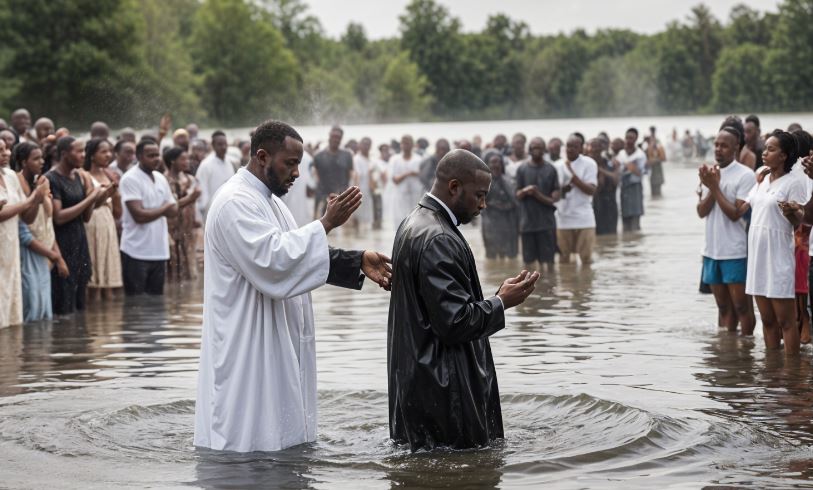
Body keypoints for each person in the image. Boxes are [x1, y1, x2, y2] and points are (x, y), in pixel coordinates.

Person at [194, 120, 392, 453]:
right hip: (247, 340)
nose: (297, 173)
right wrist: (326, 222)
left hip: (273, 334)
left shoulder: (271, 202)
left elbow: (297, 253)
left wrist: (356, 261)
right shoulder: (234, 202)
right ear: (261, 156)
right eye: (290, 163)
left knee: (280, 432)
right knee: (248, 440)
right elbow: (274, 261)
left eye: (298, 164)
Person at [387, 149, 540, 452]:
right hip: (443, 389)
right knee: (455, 468)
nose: (483, 205)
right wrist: (500, 302)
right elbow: (454, 322)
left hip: (417, 378)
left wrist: (495, 298)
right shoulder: (439, 237)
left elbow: (443, 307)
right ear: (454, 187)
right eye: (479, 195)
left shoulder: (414, 222)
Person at [739, 131, 807, 356]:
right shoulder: (761, 176)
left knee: (786, 322)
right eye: (765, 148)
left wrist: (793, 212)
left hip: (778, 256)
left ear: (784, 156)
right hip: (757, 257)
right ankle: (771, 370)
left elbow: (799, 221)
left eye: (771, 149)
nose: (765, 152)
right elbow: (746, 206)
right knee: (767, 321)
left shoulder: (793, 182)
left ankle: (792, 372)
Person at [696, 128, 757, 335]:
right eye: (716, 145)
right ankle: (729, 349)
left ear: (736, 148)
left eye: (724, 146)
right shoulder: (709, 172)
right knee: (723, 308)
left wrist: (715, 187)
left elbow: (735, 214)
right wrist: (712, 185)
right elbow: (701, 211)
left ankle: (747, 349)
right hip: (712, 250)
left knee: (742, 307)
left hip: (735, 251)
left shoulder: (746, 175)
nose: (718, 149)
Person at [47, 137, 102, 315]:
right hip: (62, 246)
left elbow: (85, 217)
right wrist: (90, 198)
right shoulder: (52, 178)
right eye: (79, 151)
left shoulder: (78, 176)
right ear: (64, 154)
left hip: (80, 244)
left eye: (84, 151)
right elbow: (59, 217)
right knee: (63, 306)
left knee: (80, 306)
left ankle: (78, 341)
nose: (83, 155)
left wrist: (93, 196)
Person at [14, 143, 69, 322]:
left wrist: (56, 256)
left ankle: (41, 349)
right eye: (36, 159)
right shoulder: (17, 184)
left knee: (44, 311)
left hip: (45, 256)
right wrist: (38, 196)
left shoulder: (42, 182)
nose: (41, 162)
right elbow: (25, 228)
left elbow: (47, 225)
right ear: (23, 162)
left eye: (41, 158)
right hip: (28, 255)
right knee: (31, 307)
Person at [119, 140, 178, 295]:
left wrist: (162, 209)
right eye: (150, 155)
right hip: (135, 252)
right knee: (136, 304)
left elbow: (174, 210)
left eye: (157, 154)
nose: (156, 158)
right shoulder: (130, 178)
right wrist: (165, 207)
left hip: (159, 251)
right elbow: (139, 216)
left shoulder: (160, 178)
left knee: (157, 302)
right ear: (139, 156)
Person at [1, 138, 48, 327]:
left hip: (11, 252)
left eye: (6, 149)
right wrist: (31, 200)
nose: (6, 153)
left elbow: (26, 218)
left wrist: (37, 196)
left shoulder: (11, 176)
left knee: (12, 310)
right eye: (0, 150)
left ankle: (11, 355)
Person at [83, 139, 123, 300]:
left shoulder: (109, 175)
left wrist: (116, 193)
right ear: (92, 155)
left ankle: (109, 321)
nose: (108, 155)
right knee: (94, 280)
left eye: (110, 151)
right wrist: (107, 193)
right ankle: (94, 321)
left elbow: (118, 212)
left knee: (108, 279)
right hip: (92, 223)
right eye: (103, 152)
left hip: (108, 224)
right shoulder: (84, 175)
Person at [515, 138, 559, 269]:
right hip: (527, 224)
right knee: (528, 264)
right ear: (529, 150)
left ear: (545, 150)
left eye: (540, 148)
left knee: (549, 263)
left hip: (546, 224)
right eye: (534, 148)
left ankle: (549, 287)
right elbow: (517, 195)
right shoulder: (522, 169)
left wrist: (537, 194)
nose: (537, 151)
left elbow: (554, 199)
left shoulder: (551, 169)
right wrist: (526, 190)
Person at [556, 134, 598, 265]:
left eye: (574, 146)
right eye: (568, 146)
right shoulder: (556, 165)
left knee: (586, 259)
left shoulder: (589, 163)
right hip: (563, 218)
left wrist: (572, 177)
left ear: (581, 148)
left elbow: (591, 190)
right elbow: (553, 192)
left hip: (584, 218)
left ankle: (585, 285)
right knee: (563, 259)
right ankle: (567, 284)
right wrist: (563, 190)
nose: (570, 149)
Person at [164, 147, 201, 281]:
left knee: (189, 264)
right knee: (174, 265)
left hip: (188, 228)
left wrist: (195, 219)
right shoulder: (164, 180)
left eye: (188, 158)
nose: (187, 162)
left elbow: (193, 205)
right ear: (172, 161)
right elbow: (170, 206)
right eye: (183, 159)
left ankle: (185, 297)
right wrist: (190, 198)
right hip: (172, 230)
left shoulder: (190, 179)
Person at [481, 150, 518, 259]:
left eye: (498, 162)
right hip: (490, 223)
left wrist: (501, 206)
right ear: (487, 164)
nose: (495, 165)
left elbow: (515, 201)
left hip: (508, 222)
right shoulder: (483, 182)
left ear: (502, 164)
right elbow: (479, 202)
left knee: (508, 256)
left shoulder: (508, 180)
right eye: (492, 162)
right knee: (491, 255)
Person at [312, 126, 354, 217]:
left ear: (341, 138)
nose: (335, 139)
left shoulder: (347, 155)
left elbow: (350, 174)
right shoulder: (318, 156)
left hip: (342, 195)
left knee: (344, 227)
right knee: (321, 224)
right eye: (333, 136)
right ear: (329, 136)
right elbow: (316, 176)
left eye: (338, 137)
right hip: (323, 195)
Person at [196, 130, 234, 223]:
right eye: (220, 144)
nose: (223, 147)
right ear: (213, 145)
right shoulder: (206, 165)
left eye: (225, 144)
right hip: (212, 213)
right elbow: (202, 190)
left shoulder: (230, 162)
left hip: (230, 210)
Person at [616, 128, 646, 232]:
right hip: (624, 187)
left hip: (635, 187)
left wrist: (630, 166)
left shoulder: (640, 155)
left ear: (636, 139)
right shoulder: (621, 154)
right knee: (624, 216)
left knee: (635, 216)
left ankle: (634, 241)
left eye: (631, 138)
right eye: (627, 138)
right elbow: (617, 169)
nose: (629, 140)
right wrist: (628, 166)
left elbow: (641, 173)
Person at [390, 135, 422, 226]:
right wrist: (408, 173)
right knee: (400, 222)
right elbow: (395, 180)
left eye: (408, 143)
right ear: (400, 145)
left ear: (413, 145)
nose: (405, 146)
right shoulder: (395, 159)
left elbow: (423, 176)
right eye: (403, 143)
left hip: (416, 196)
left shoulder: (419, 159)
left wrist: (415, 173)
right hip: (400, 196)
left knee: (415, 222)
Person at [590, 137, 620, 235]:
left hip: (609, 204)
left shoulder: (610, 163)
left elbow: (616, 179)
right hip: (593, 204)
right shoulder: (587, 164)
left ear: (601, 149)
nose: (594, 150)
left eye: (597, 147)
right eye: (592, 147)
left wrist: (600, 170)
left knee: (610, 236)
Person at [352, 137, 374, 228]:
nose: (366, 147)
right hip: (359, 191)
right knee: (356, 215)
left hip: (369, 191)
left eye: (368, 144)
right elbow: (356, 175)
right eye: (364, 144)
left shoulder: (371, 160)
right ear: (359, 146)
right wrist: (355, 193)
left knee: (367, 217)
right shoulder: (356, 159)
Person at [371, 143, 390, 230]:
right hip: (378, 189)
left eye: (387, 150)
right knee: (378, 208)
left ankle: (380, 226)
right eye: (384, 150)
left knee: (383, 209)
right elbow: (371, 173)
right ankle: (376, 225)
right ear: (381, 151)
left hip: (387, 190)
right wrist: (373, 187)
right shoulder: (376, 162)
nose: (386, 152)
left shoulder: (389, 162)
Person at [645, 126, 666, 197]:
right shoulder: (649, 143)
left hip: (657, 171)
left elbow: (663, 158)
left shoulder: (658, 143)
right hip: (652, 171)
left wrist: (653, 160)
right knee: (653, 192)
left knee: (657, 192)